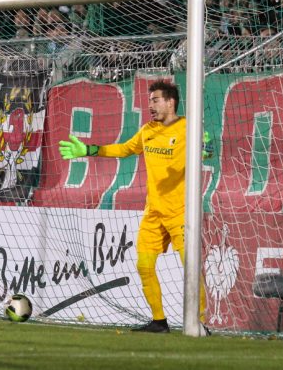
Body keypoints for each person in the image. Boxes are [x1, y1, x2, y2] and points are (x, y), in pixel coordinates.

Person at [58, 80, 210, 333]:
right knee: (144, 265)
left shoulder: (188, 128)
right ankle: (159, 321)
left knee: (190, 267)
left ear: (170, 102)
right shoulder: (148, 129)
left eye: (155, 100)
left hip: (181, 211)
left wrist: (205, 148)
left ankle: (200, 322)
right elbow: (125, 149)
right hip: (154, 212)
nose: (150, 105)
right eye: (149, 100)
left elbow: (206, 151)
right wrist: (89, 149)